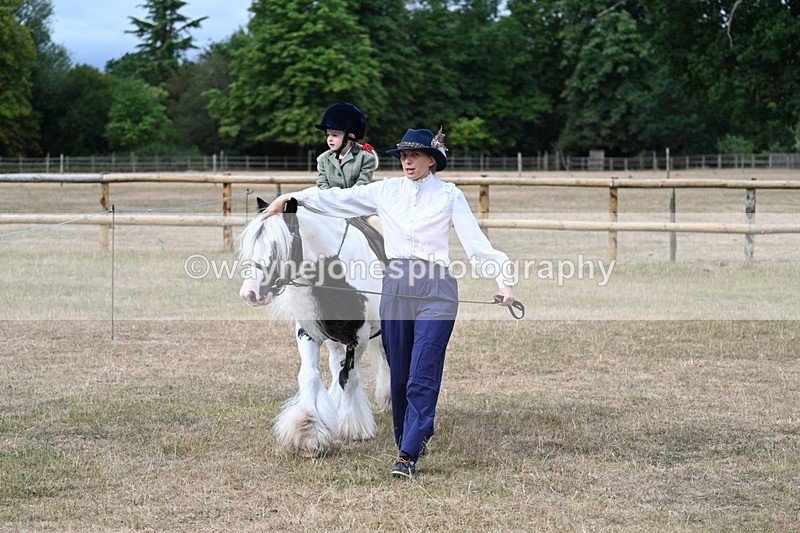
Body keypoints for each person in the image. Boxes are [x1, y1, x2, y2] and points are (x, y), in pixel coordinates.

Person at [262, 128, 516, 479]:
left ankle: (407, 454)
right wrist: (291, 198)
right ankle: (410, 436)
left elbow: (476, 244)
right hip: (395, 285)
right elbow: (337, 199)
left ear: (431, 160)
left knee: (422, 373)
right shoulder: (385, 191)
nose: (407, 162)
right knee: (399, 374)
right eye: (403, 156)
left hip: (436, 287)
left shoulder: (449, 196)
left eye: (414, 156)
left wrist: (503, 280)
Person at [314, 102, 378, 189]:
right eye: (328, 135)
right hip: (329, 197)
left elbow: (362, 183)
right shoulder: (323, 158)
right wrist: (330, 195)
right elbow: (322, 183)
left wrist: (344, 196)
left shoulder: (365, 158)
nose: (329, 139)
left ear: (350, 137)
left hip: (355, 197)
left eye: (334, 135)